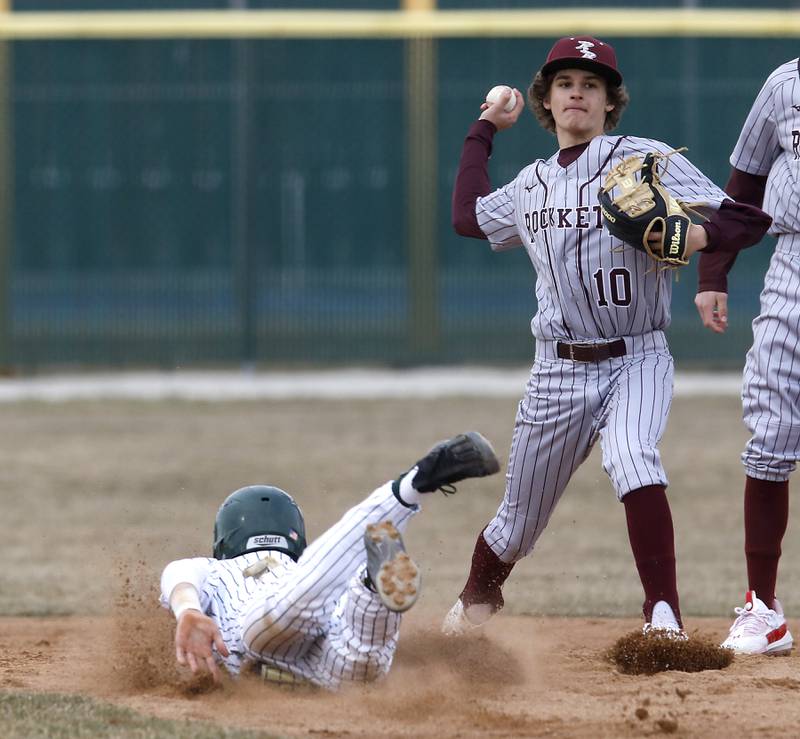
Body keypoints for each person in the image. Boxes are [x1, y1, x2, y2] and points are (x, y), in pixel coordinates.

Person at [442, 36, 772, 638]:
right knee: (516, 524)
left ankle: (663, 615)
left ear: (609, 101)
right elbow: (468, 216)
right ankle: (473, 605)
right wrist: (484, 128)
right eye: (565, 83)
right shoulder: (531, 184)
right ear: (546, 99)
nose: (577, 93)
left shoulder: (643, 160)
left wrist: (690, 239)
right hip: (557, 371)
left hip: (637, 356)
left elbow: (747, 217)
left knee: (632, 457)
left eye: (591, 85)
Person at [159, 431, 499, 689]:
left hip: (261, 626)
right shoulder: (300, 565)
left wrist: (187, 609)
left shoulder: (215, 568)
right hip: (318, 659)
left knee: (294, 604)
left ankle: (409, 490)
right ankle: (371, 587)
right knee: (361, 663)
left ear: (224, 536)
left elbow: (177, 573)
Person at [695, 57, 799, 655]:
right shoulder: (785, 85)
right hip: (793, 266)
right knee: (771, 432)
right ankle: (764, 609)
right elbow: (744, 186)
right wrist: (714, 272)